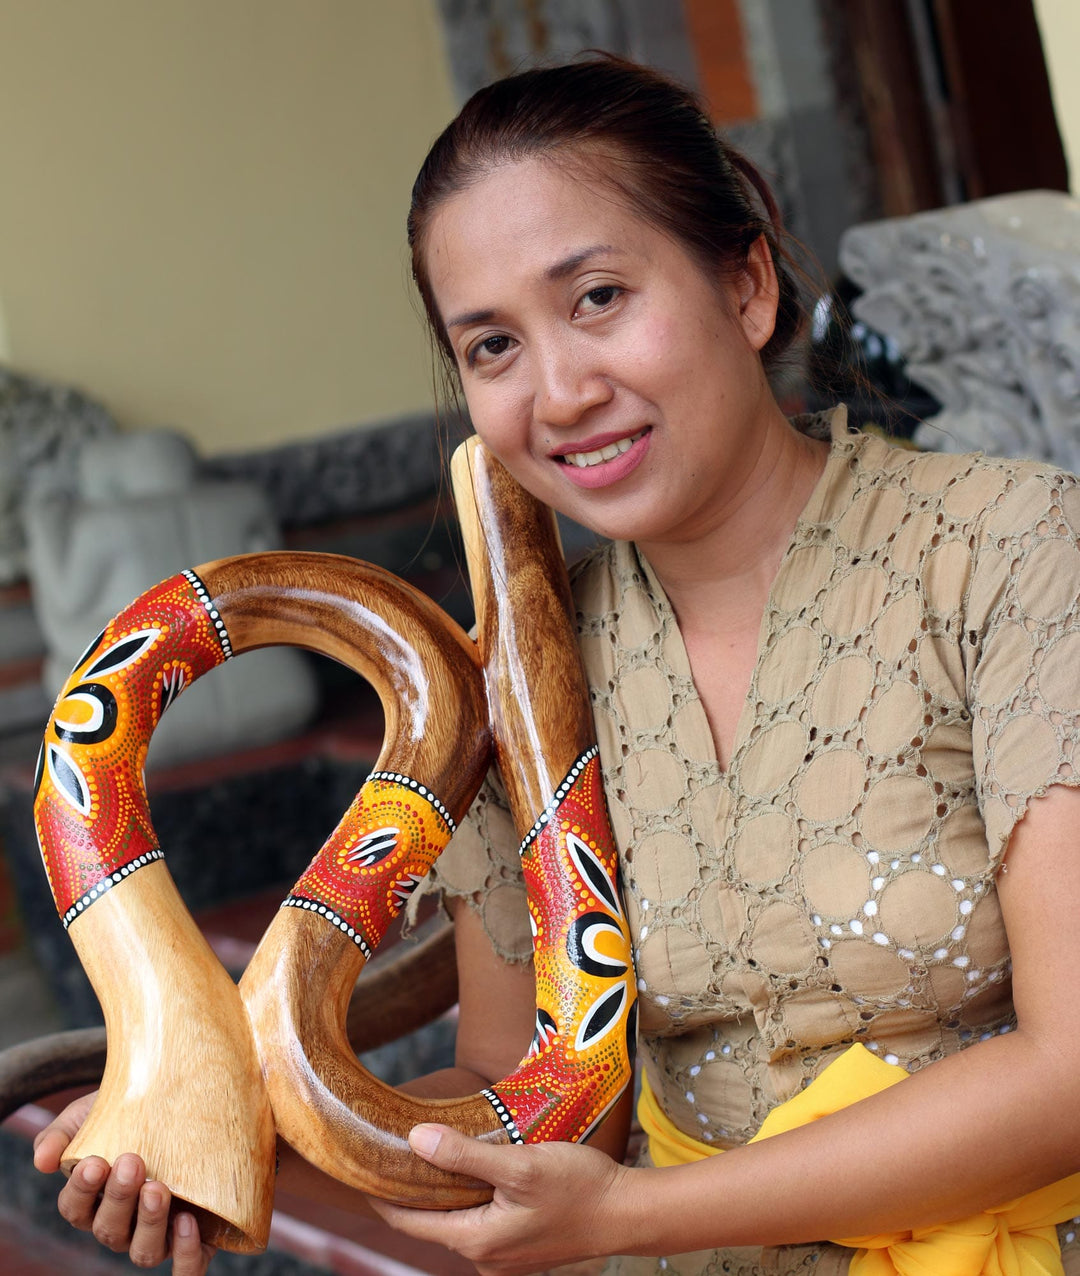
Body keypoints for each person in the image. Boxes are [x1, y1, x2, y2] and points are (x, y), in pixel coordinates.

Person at [31, 54, 1080, 1276]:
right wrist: (224, 1138)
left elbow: (1068, 1068)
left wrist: (634, 1217)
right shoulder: (517, 678)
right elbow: (499, 1081)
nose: (561, 392)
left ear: (746, 286)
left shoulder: (1013, 552)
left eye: (596, 298)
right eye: (490, 346)